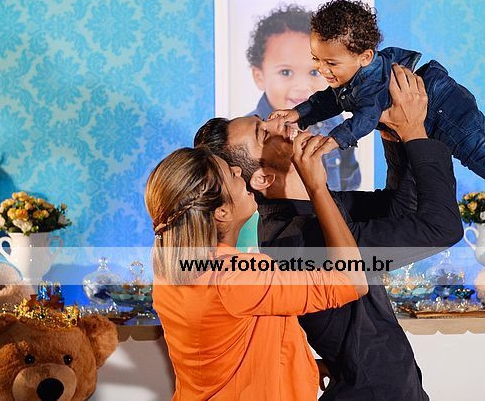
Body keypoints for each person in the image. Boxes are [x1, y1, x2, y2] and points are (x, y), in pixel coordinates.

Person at [194, 64, 463, 400]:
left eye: (265, 119)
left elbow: (401, 210)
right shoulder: (296, 240)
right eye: (264, 132)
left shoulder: (315, 207)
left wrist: (392, 130)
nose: (279, 118)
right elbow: (441, 228)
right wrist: (414, 133)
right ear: (261, 178)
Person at [273, 0, 485, 241]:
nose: (322, 70)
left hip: (440, 110)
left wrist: (333, 141)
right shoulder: (353, 76)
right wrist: (298, 113)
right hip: (444, 100)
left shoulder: (371, 85)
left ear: (364, 56)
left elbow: (366, 119)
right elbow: (328, 100)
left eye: (330, 62)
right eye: (316, 60)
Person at [147, 140, 369, 400]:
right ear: (222, 212)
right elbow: (353, 281)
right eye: (231, 174)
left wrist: (301, 365)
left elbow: (223, 349)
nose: (239, 170)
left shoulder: (168, 271)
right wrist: (317, 188)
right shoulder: (238, 276)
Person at [245, 4, 361, 191]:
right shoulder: (246, 137)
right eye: (285, 72)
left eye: (314, 73)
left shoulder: (335, 124)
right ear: (259, 76)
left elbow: (349, 181)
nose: (301, 86)